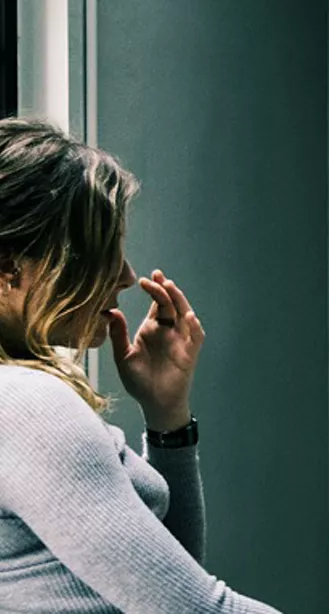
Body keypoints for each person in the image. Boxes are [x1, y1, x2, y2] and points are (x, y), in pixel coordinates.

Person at [0, 119, 277, 612]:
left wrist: (166, 415)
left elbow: (170, 577)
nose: (126, 275)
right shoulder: (25, 404)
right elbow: (198, 609)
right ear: (8, 267)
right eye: (98, 252)